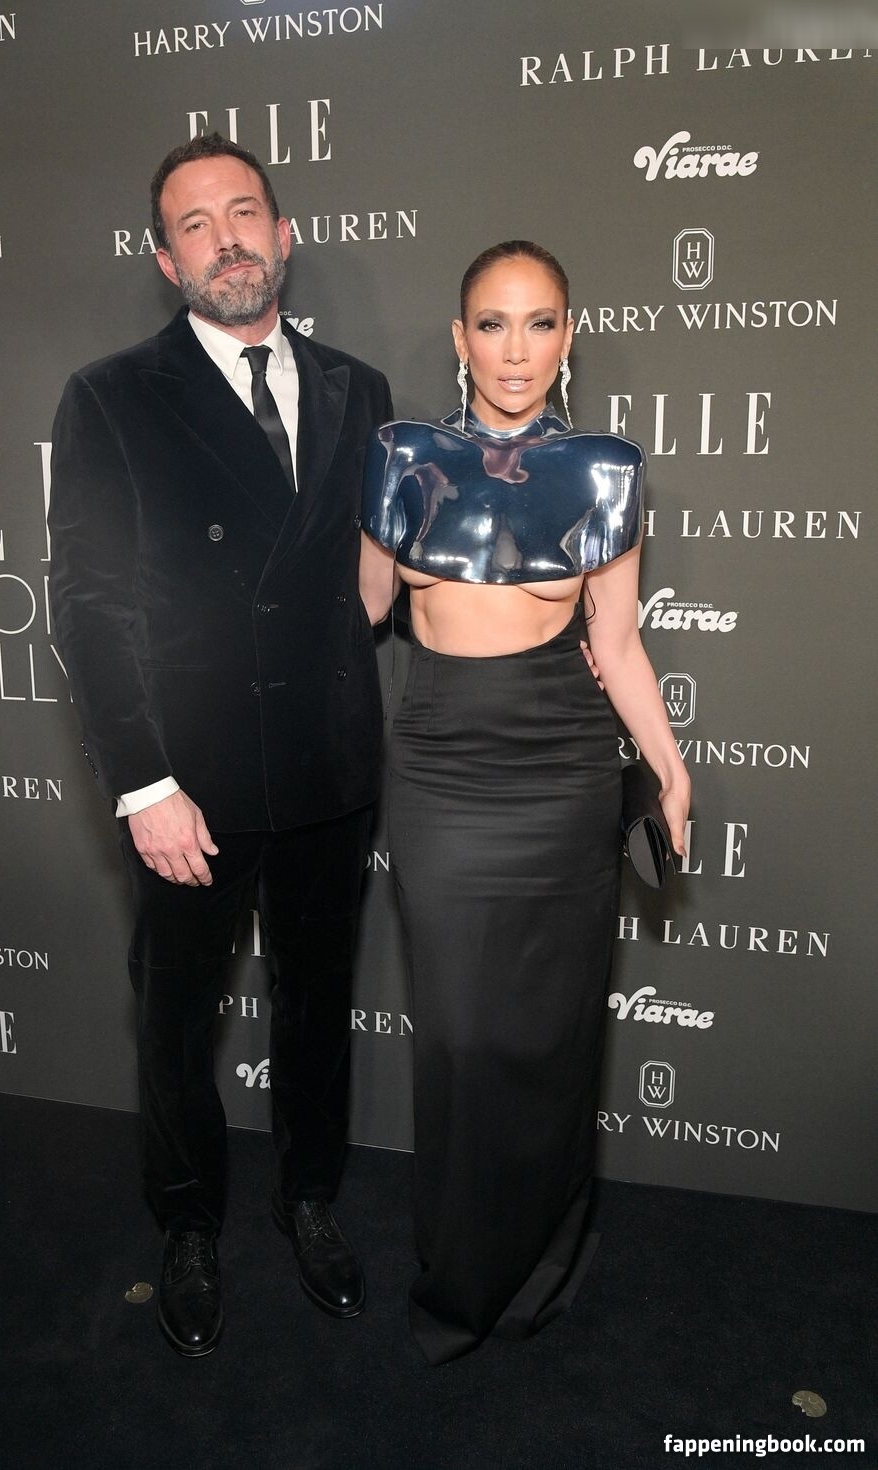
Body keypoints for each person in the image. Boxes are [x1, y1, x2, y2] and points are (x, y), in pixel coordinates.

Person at [49, 133, 392, 1357]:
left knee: (316, 1005)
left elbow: (368, 577)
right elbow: (89, 606)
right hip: (186, 779)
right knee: (177, 1018)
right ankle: (188, 1222)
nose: (225, 239)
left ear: (283, 234)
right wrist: (143, 783)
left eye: (243, 212)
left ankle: (309, 1201)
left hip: (327, 764)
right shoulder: (110, 396)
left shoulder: (358, 389)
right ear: (164, 260)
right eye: (194, 224)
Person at [359, 240, 691, 1365]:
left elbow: (618, 643)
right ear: (460, 340)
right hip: (441, 764)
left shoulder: (605, 470)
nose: (515, 350)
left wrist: (669, 764)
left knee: (549, 1033)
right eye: (492, 325)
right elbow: (356, 612)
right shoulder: (401, 457)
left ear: (567, 337)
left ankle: (543, 1265)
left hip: (560, 765)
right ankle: (460, 1274)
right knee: (458, 1034)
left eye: (539, 323)